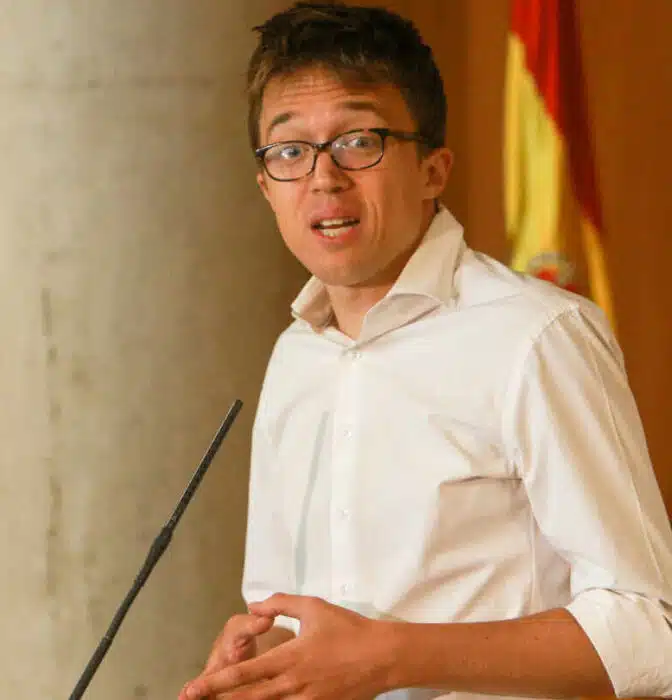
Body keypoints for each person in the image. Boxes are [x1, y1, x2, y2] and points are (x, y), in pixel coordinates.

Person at [179, 3, 672, 699]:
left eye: (358, 141)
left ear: (434, 170)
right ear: (266, 187)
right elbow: (294, 620)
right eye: (290, 151)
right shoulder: (296, 355)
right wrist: (260, 662)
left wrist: (392, 658)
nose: (323, 177)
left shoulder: (535, 336)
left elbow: (652, 632)